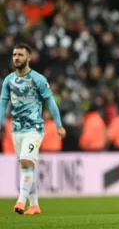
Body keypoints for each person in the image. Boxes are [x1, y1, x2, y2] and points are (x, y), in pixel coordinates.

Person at [0, 43, 66, 215]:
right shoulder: (8, 80)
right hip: (16, 130)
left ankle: (21, 201)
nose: (16, 58)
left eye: (20, 55)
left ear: (29, 57)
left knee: (26, 162)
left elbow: (50, 102)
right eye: (15, 55)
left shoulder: (38, 79)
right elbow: (2, 105)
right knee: (26, 168)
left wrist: (59, 125)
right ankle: (35, 205)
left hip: (34, 129)